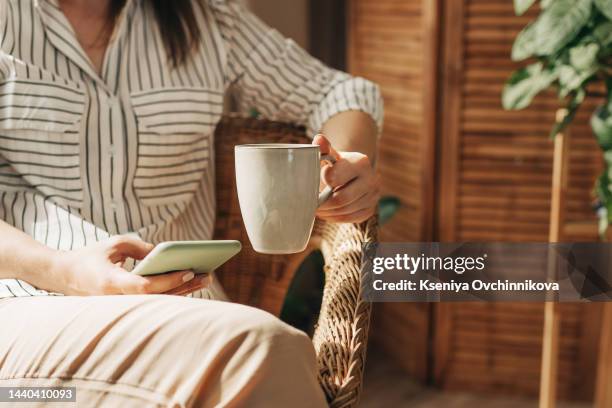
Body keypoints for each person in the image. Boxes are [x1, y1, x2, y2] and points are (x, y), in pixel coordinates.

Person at [0, 0, 383, 406]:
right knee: (264, 352)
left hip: (193, 314)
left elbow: (340, 91)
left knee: (262, 354)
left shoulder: (210, 19)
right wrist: (64, 270)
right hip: (31, 306)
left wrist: (341, 167)